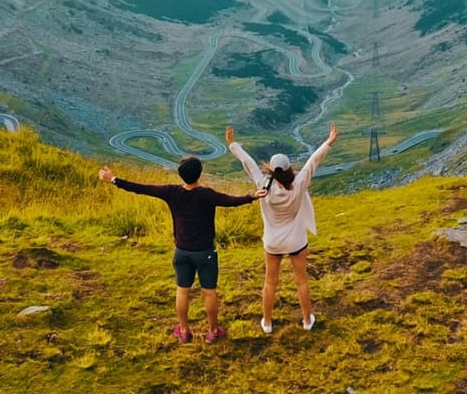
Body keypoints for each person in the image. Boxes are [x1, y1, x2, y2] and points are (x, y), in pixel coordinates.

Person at [98, 156, 266, 344]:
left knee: (182, 291)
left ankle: (184, 331)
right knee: (209, 292)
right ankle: (213, 331)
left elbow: (141, 188)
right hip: (205, 253)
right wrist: (252, 196)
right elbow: (231, 201)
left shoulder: (171, 192)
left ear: (181, 174)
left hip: (182, 252)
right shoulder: (206, 194)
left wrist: (113, 180)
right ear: (199, 174)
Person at [226, 123, 338, 333]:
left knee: (270, 282)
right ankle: (307, 321)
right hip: (296, 241)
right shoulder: (299, 183)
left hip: (273, 242)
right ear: (289, 169)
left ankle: (267, 323)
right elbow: (313, 161)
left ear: (271, 170)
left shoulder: (263, 186)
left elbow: (249, 163)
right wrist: (328, 141)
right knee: (301, 281)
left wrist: (233, 145)